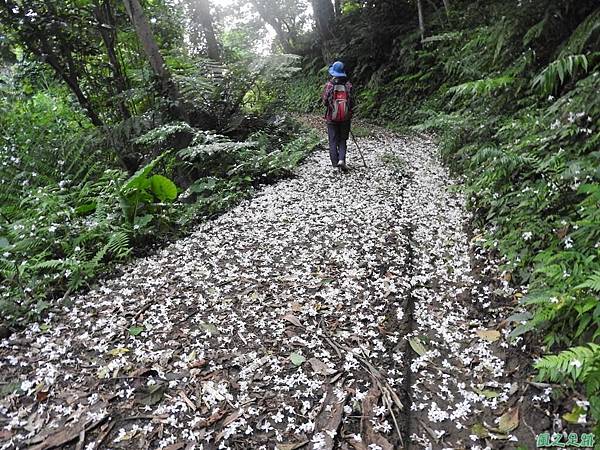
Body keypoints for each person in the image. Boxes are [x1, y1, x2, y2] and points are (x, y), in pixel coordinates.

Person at [322, 61, 353, 172]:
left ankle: (335, 165)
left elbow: (325, 102)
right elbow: (352, 102)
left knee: (333, 141)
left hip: (331, 118)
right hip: (345, 118)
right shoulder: (348, 85)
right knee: (342, 140)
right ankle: (342, 160)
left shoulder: (329, 85)